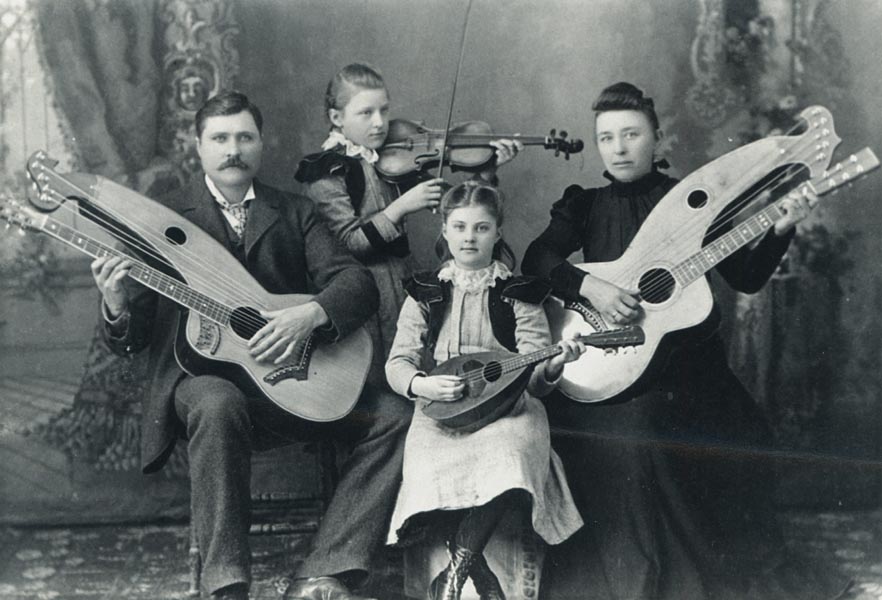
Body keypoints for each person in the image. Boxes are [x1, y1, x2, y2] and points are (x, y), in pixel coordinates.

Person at [522, 82, 848, 600]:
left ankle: (712, 578)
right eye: (607, 137)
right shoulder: (585, 205)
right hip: (613, 365)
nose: (619, 148)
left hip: (690, 368)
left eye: (632, 134)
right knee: (638, 436)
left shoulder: (695, 200)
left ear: (656, 136)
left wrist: (781, 227)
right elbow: (537, 260)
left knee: (744, 434)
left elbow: (746, 277)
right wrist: (593, 288)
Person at [90, 91, 412, 600]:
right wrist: (116, 303)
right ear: (199, 146)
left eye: (244, 137)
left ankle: (326, 569)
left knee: (395, 416)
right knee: (218, 402)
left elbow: (356, 284)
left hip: (291, 383)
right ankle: (227, 583)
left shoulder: (296, 211)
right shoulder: (164, 218)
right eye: (220, 138)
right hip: (202, 384)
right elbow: (135, 337)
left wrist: (310, 314)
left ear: (261, 144)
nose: (233, 150)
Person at [385, 181, 585, 600]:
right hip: (443, 406)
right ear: (444, 231)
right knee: (425, 468)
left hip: (509, 408)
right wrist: (422, 383)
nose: (469, 238)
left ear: (497, 233)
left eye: (481, 228)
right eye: (459, 227)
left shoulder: (518, 294)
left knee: (512, 456)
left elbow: (533, 378)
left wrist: (553, 365)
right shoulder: (425, 292)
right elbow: (398, 362)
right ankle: (480, 578)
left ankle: (454, 574)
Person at [295, 63, 523, 387]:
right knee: (375, 379)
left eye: (384, 110)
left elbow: (458, 210)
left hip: (404, 284)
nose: (380, 122)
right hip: (361, 296)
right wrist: (401, 207)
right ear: (336, 117)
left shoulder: (391, 156)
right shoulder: (326, 171)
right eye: (366, 113)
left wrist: (485, 174)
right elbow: (346, 245)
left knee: (419, 366)